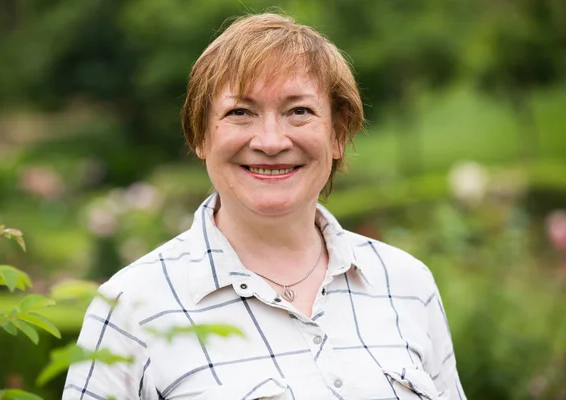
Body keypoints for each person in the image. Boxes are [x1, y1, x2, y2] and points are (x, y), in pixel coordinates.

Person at [63, 12, 466, 400]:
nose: (271, 141)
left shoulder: (408, 284)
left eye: (299, 112)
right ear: (200, 136)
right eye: (240, 112)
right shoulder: (131, 306)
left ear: (337, 134)